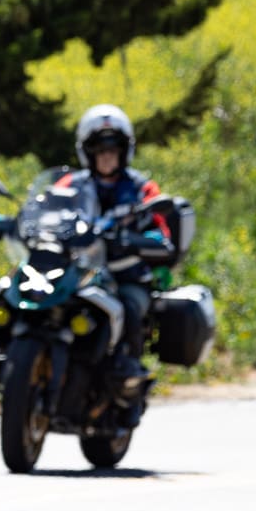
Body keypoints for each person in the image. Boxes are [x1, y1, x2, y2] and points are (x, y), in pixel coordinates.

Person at [57, 104, 174, 427]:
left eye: (113, 150)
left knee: (131, 309)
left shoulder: (142, 188)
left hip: (126, 275)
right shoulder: (71, 184)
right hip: (78, 273)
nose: (107, 156)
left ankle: (128, 381)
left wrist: (140, 240)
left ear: (124, 152)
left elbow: (161, 231)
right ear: (88, 152)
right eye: (100, 150)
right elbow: (44, 209)